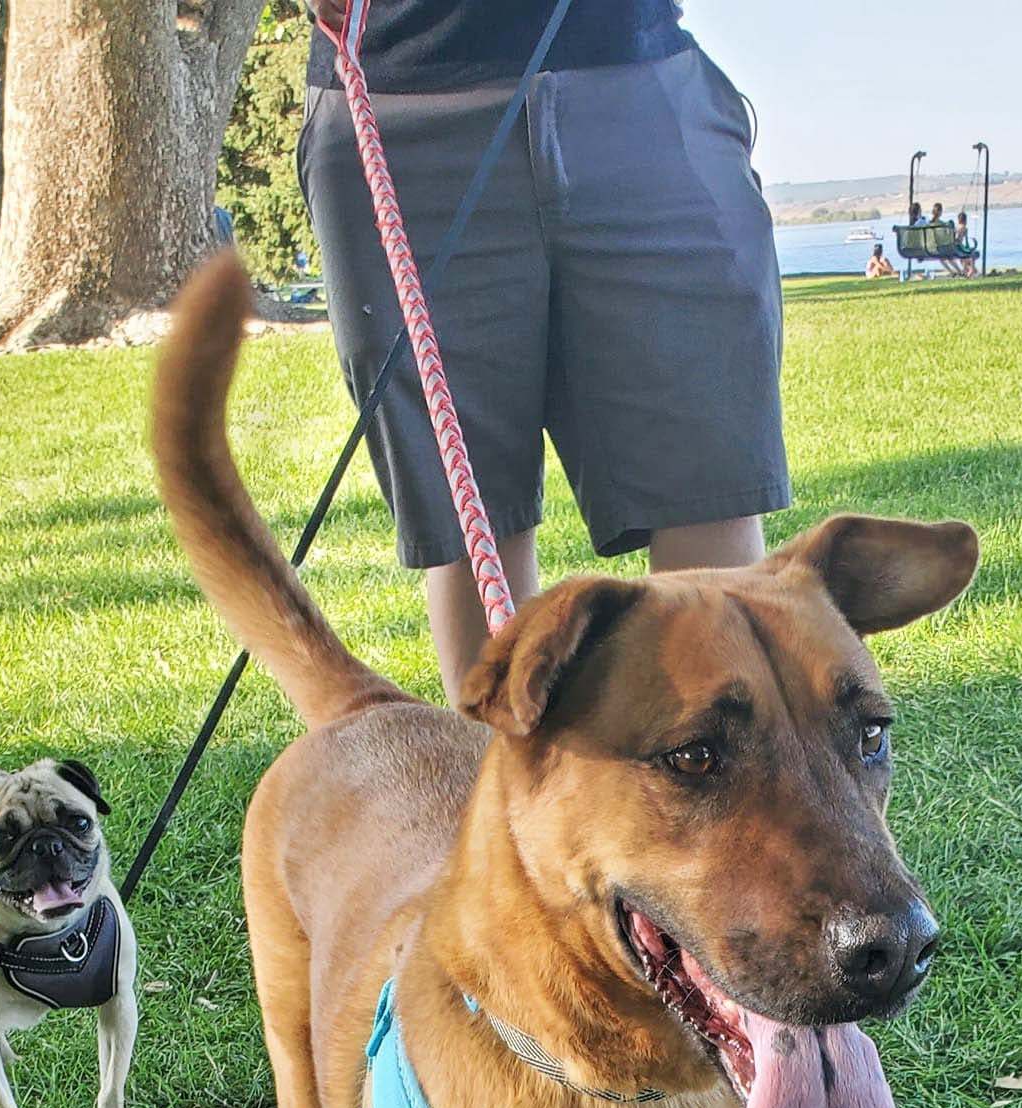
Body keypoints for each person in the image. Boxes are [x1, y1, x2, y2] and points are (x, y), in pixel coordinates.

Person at [299, 0, 789, 702]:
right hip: (393, 105)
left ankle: (722, 794)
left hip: (639, 88)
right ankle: (499, 798)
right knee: (471, 527)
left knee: (707, 486)